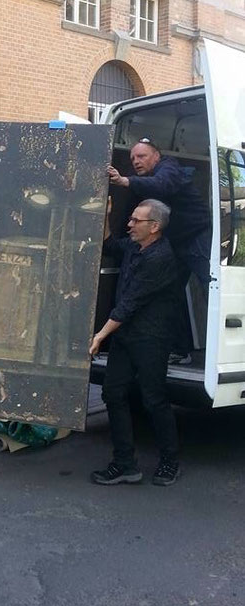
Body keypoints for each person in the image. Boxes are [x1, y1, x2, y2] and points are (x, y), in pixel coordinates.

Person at [90, 198, 181, 487]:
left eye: (135, 221)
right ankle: (125, 464)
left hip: (151, 339)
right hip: (127, 336)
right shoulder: (133, 246)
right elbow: (109, 246)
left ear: (154, 227)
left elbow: (129, 304)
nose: (129, 224)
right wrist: (105, 216)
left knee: (153, 400)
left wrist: (100, 335)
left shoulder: (160, 258)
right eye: (130, 219)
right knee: (113, 394)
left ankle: (170, 462)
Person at [107, 137, 211, 362]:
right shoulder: (144, 183)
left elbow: (163, 185)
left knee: (212, 288)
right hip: (175, 240)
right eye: (132, 157)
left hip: (195, 236)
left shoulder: (168, 168)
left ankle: (222, 349)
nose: (135, 160)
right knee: (171, 295)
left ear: (157, 156)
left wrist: (125, 181)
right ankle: (180, 350)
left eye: (141, 156)